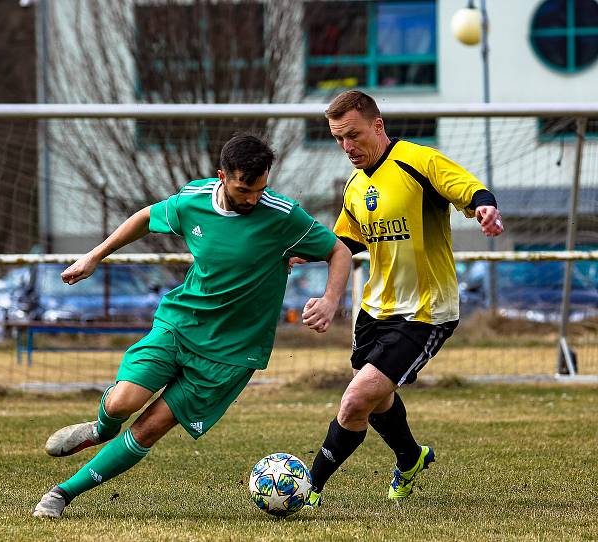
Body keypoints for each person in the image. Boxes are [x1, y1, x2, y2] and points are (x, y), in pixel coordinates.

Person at [33, 134, 352, 518]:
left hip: (232, 352)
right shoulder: (193, 200)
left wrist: (330, 300)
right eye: (244, 189)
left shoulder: (283, 216)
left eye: (261, 188)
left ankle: (62, 494)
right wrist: (94, 255)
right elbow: (145, 218)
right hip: (181, 323)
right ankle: (102, 429)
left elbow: (339, 250)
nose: (253, 198)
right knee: (123, 402)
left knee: (151, 427)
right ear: (222, 176)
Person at [304, 90, 504, 506]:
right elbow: (346, 240)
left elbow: (469, 189)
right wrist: (304, 254)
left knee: (356, 398)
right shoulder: (356, 187)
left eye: (354, 135)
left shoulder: (418, 160)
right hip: (375, 309)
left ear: (378, 126)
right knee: (375, 399)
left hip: (426, 311)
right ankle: (411, 457)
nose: (347, 147)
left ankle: (307, 488)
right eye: (339, 139)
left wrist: (484, 208)